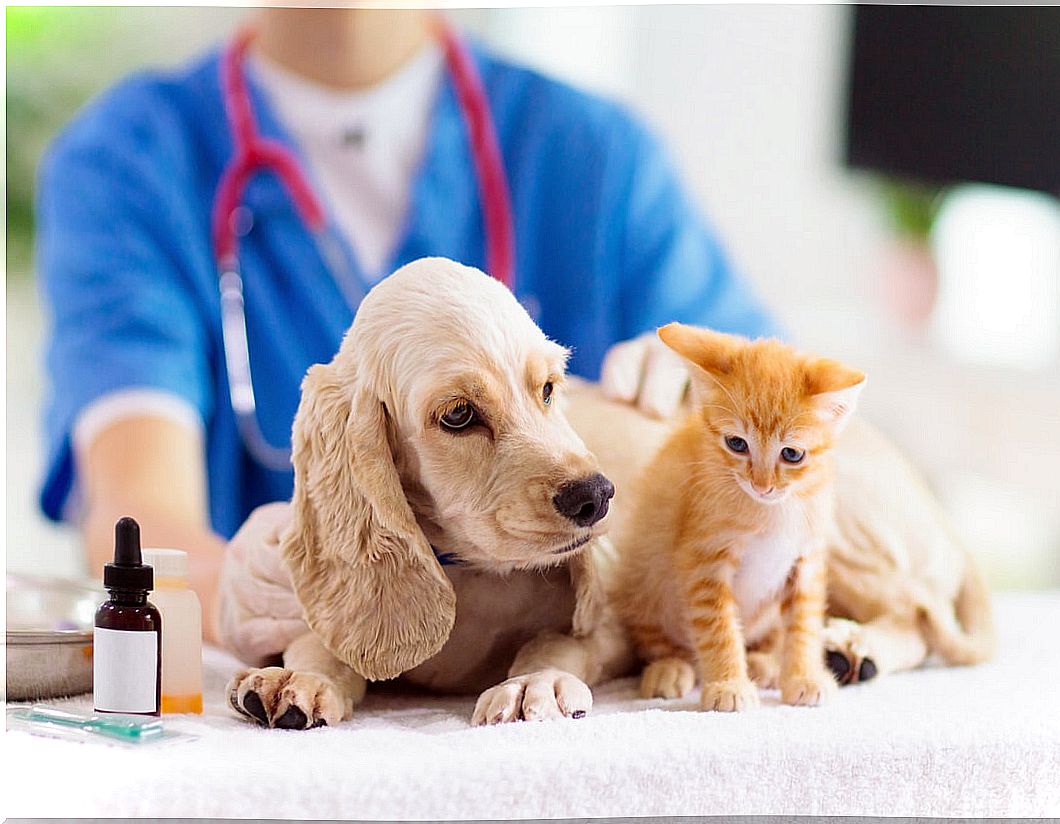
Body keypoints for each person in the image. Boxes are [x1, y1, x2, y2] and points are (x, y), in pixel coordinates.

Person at [36, 8, 778, 645]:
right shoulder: (129, 161)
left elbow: (792, 431)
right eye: (461, 411)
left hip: (557, 683)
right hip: (291, 708)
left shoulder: (595, 157)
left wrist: (720, 402)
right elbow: (137, 511)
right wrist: (236, 589)